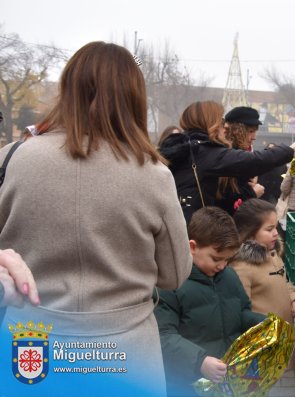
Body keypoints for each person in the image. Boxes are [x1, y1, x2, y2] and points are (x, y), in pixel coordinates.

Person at [0, 42, 192, 395]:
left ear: (67, 88)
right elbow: (175, 274)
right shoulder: (152, 174)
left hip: (29, 345)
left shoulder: (10, 159)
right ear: (134, 97)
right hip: (126, 350)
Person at [155, 207, 266, 397]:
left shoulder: (229, 276)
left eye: (227, 260)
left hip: (228, 378)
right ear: (193, 247)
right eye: (216, 259)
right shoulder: (170, 283)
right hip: (188, 384)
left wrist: (261, 324)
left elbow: (241, 312)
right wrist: (200, 362)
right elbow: (163, 335)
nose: (222, 266)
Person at [159, 101, 295, 221]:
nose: (225, 127)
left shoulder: (188, 146)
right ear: (209, 123)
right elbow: (253, 162)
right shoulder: (204, 151)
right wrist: (290, 151)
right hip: (193, 228)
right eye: (220, 122)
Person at [231, 198, 295, 326]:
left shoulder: (272, 254)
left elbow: (283, 282)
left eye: (276, 227)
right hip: (264, 338)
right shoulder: (242, 268)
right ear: (250, 233)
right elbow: (241, 312)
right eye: (269, 229)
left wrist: (294, 298)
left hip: (283, 333)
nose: (276, 233)